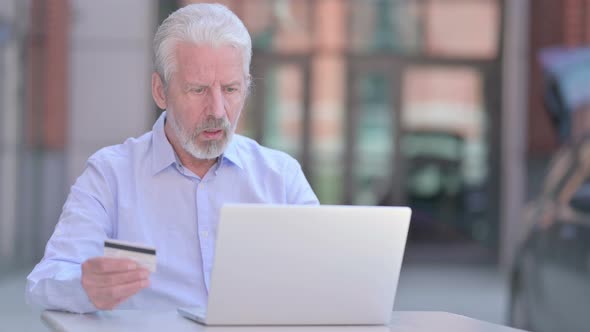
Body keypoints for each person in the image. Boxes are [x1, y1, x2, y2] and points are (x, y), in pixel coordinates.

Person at [26, 3, 318, 314]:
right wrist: (84, 287)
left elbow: (326, 273)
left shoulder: (280, 176)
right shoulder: (111, 175)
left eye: (231, 89)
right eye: (198, 90)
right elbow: (43, 283)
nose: (218, 111)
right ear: (160, 91)